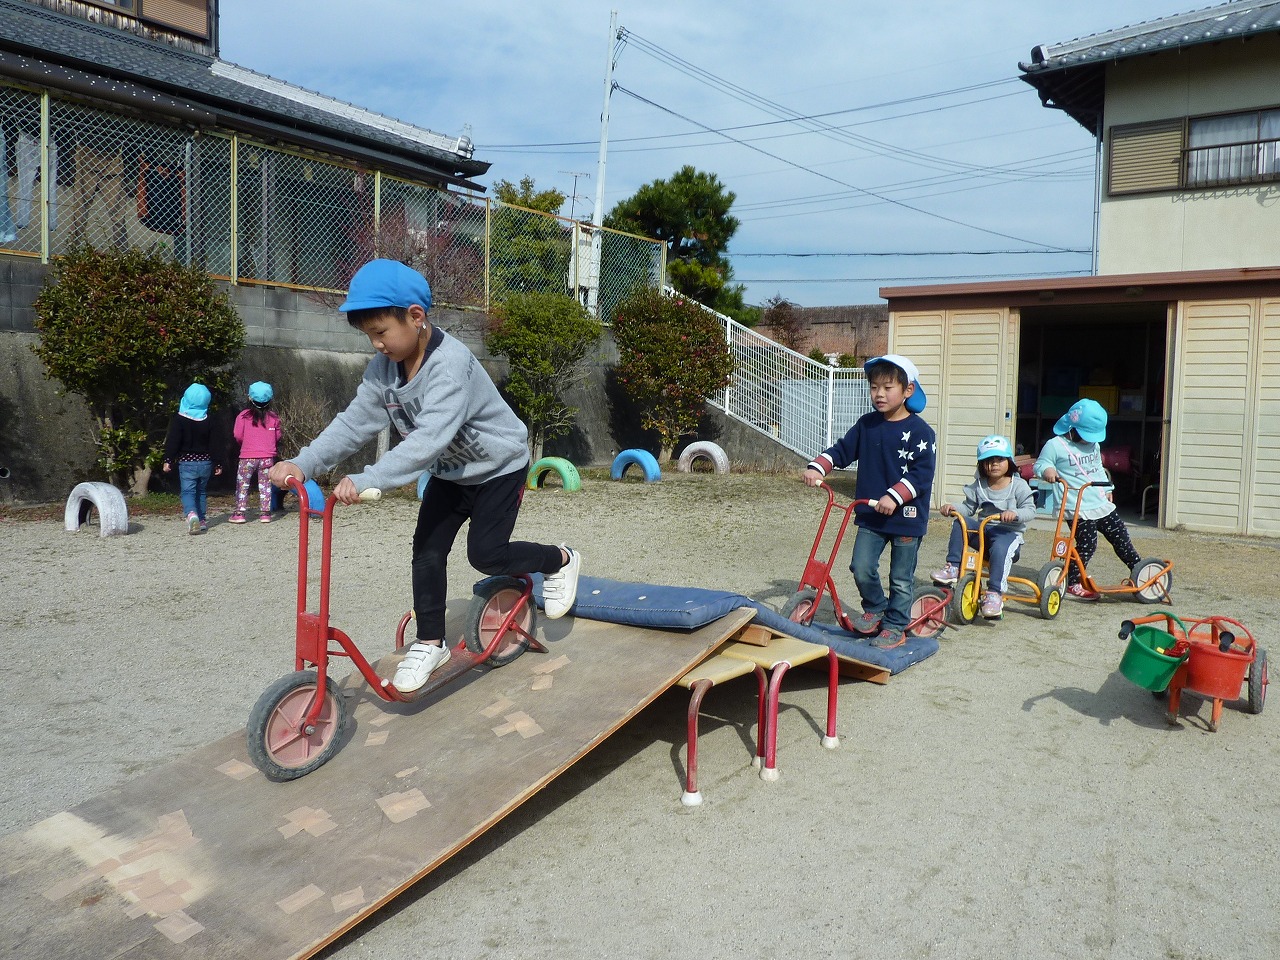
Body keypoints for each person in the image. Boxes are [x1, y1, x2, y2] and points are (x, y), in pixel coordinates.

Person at [268, 259, 582, 693]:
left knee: (486, 555)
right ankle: (430, 641)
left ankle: (560, 559)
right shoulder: (384, 368)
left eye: (381, 332)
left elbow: (429, 439)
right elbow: (355, 421)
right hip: (452, 475)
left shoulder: (450, 365)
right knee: (427, 552)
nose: (376, 344)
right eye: (369, 336)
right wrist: (303, 464)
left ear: (415, 317)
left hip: (497, 470)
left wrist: (369, 477)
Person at [802, 354, 935, 649]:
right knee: (860, 567)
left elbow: (921, 474)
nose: (879, 394)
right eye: (874, 388)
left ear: (908, 391)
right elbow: (843, 450)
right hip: (871, 515)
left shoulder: (921, 433)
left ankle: (896, 625)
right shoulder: (867, 425)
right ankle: (875, 608)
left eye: (888, 388)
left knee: (900, 577)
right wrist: (818, 466)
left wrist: (894, 495)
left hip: (906, 517)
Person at [1033, 397, 1140, 600]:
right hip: (1076, 504)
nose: (1090, 440)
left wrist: (1109, 487)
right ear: (1072, 427)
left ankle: (1140, 568)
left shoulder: (1094, 445)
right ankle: (1073, 582)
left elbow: (1097, 468)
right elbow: (1040, 464)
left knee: (1121, 536)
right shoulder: (1055, 445)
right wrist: (1048, 470)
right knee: (1087, 544)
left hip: (1099, 500)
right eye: (1086, 435)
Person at [931, 435, 1037, 619]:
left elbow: (1030, 510)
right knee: (961, 522)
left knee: (1001, 546)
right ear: (981, 465)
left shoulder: (1018, 486)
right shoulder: (979, 485)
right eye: (988, 461)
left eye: (999, 459)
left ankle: (995, 593)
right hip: (983, 533)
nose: (994, 464)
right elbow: (969, 507)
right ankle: (953, 567)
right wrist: (955, 508)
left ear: (1009, 462)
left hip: (1008, 535)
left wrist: (1015, 514)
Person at [162, 382, 224, 535]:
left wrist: (168, 459)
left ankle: (191, 514)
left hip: (187, 462)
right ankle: (202, 520)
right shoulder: (210, 420)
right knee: (201, 491)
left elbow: (173, 441)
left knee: (188, 491)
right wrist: (218, 462)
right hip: (206, 463)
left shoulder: (179, 419)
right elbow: (216, 443)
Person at [230, 381, 282, 524]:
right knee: (265, 484)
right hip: (267, 457)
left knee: (243, 484)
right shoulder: (274, 417)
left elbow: (237, 435)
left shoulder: (243, 416)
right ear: (270, 399)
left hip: (247, 456)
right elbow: (277, 436)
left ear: (250, 398)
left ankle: (240, 513)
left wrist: (245, 444)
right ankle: (265, 513)